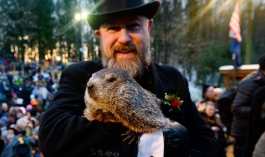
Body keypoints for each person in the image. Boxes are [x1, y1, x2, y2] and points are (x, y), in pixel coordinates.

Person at [39, 0, 220, 156]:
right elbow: (53, 136)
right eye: (113, 28)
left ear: (148, 27)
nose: (124, 38)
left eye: (133, 26)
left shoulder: (172, 78)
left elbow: (208, 143)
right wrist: (155, 139)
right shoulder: (81, 75)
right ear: (99, 34)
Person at [231, 53, 265, 157]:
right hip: (244, 133)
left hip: (254, 130)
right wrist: (259, 111)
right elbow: (236, 107)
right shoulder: (251, 83)